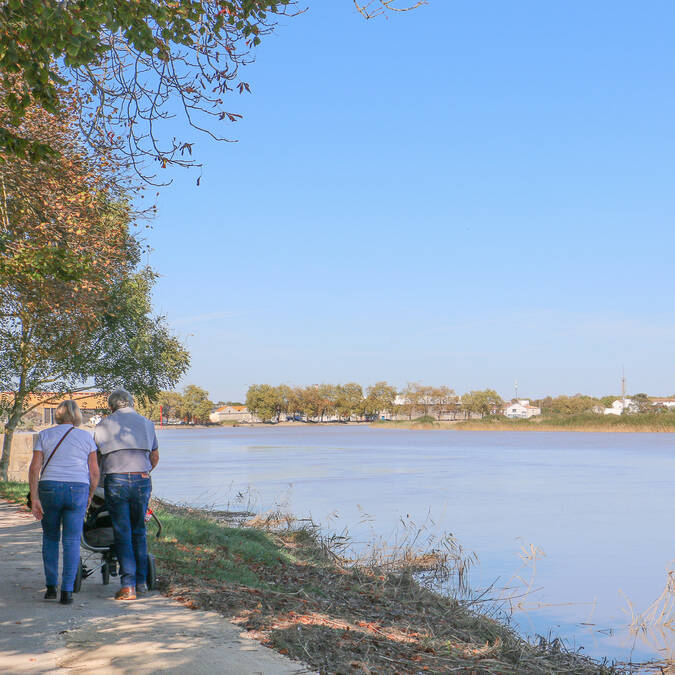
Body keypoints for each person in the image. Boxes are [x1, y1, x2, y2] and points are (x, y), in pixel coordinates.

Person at [29, 400, 100, 605]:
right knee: (71, 541)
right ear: (77, 415)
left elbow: (35, 468)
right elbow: (94, 472)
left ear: (58, 415)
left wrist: (35, 498)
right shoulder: (86, 437)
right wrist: (90, 494)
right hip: (77, 488)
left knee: (50, 538)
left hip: (49, 487)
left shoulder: (44, 435)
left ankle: (51, 587)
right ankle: (67, 592)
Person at [94, 388, 158, 600]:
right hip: (141, 478)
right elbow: (155, 457)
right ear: (131, 403)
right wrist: (143, 472)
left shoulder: (103, 425)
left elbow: (96, 459)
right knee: (138, 530)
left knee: (122, 532)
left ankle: (128, 585)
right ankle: (141, 583)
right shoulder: (147, 424)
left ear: (111, 406)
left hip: (116, 480)